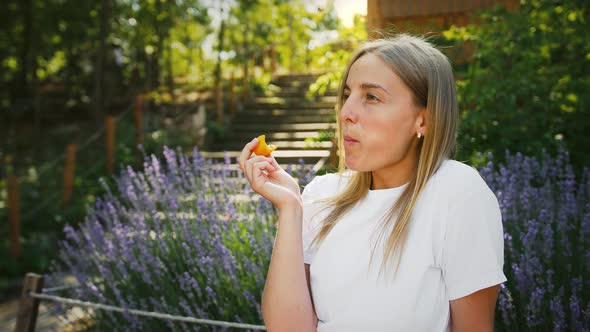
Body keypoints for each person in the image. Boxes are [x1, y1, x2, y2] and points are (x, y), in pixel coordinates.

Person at [239, 34, 506, 332]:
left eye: (372, 97)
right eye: (347, 95)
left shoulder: (457, 193)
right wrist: (291, 208)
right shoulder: (321, 194)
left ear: (424, 120)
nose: (345, 114)